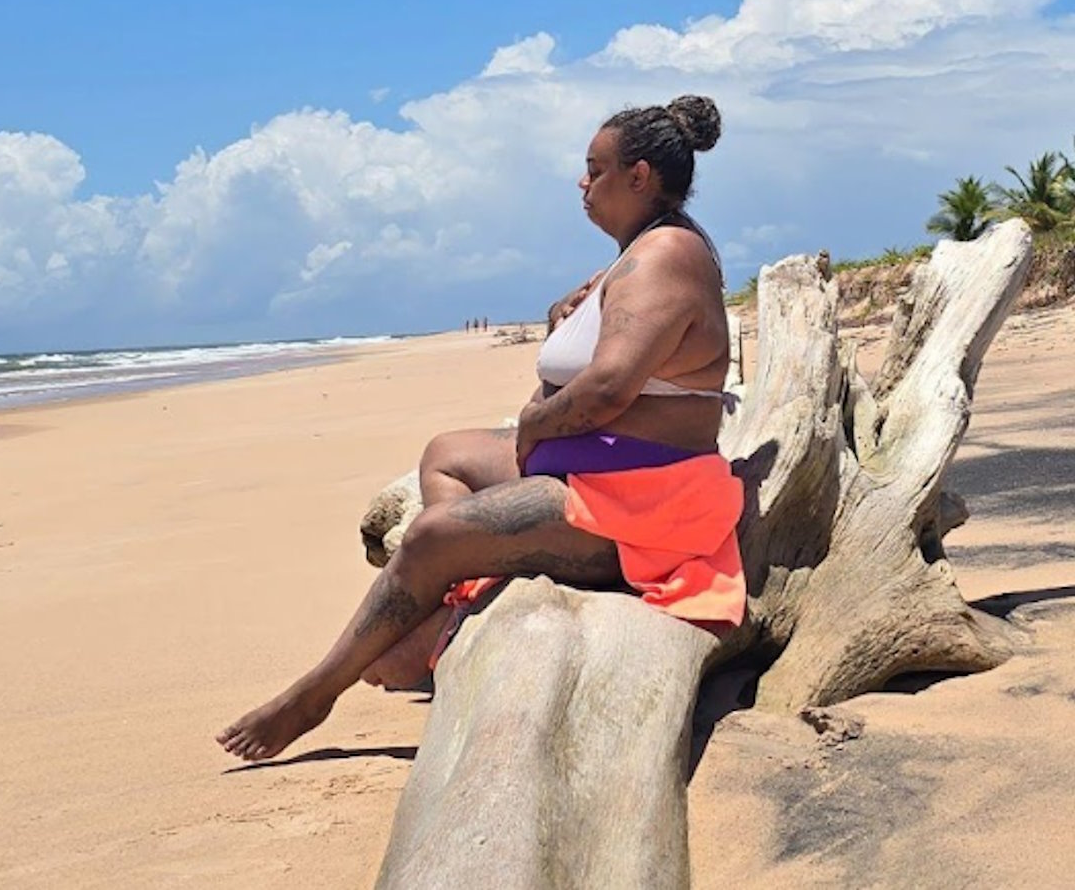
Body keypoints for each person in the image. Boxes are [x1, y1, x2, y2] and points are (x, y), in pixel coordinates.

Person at [218, 95, 744, 762]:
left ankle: (318, 692)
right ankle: (466, 587)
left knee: (433, 532)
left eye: (595, 169)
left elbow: (609, 388)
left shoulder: (665, 254)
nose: (582, 184)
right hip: (596, 472)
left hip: (643, 500)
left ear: (638, 176)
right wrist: (561, 325)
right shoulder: (636, 253)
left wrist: (534, 424)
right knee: (447, 455)